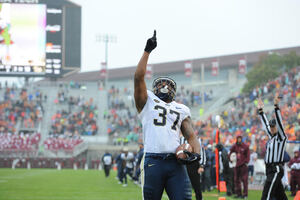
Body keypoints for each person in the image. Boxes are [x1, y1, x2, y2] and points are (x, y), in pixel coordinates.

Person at [134, 30, 201, 200]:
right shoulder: (147, 99)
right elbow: (138, 77)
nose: (164, 86)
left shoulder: (181, 108)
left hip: (175, 163)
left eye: (168, 84)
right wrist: (147, 51)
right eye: (161, 84)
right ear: (155, 88)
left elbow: (191, 136)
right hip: (153, 161)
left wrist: (196, 155)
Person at [257, 93, 288, 200]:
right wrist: (261, 111)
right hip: (269, 169)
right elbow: (265, 125)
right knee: (280, 196)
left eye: (273, 127)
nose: (272, 129)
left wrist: (276, 107)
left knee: (266, 195)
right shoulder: (272, 137)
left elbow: (280, 124)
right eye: (271, 127)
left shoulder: (281, 137)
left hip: (276, 169)